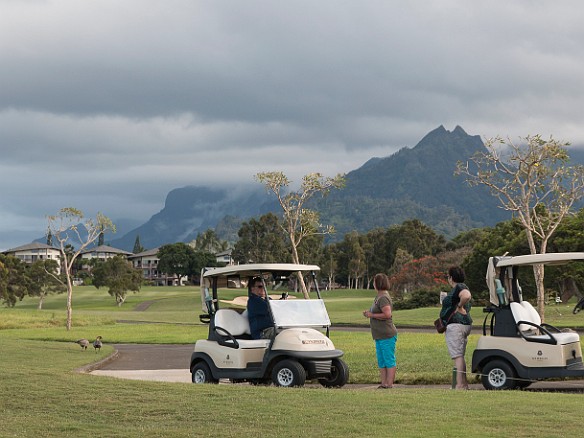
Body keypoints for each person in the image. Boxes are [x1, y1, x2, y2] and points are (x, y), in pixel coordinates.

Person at [440, 266, 472, 389]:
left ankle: (459, 385)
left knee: (457, 356)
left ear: (451, 278)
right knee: (460, 355)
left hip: (456, 325)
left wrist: (459, 305)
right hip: (464, 324)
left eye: (448, 277)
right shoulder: (460, 288)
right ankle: (463, 384)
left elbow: (466, 295)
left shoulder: (460, 287)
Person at [363, 273, 398, 389]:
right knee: (381, 360)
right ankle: (383, 383)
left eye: (374, 282)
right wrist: (369, 313)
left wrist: (371, 315)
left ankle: (389, 384)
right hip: (379, 335)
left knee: (388, 359)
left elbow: (387, 314)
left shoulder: (383, 297)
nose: (373, 284)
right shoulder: (379, 296)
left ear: (377, 283)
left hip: (387, 334)